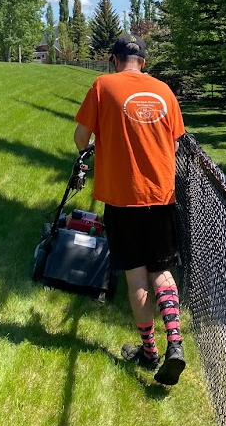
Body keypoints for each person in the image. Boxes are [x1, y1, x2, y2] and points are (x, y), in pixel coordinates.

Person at [73, 34, 186, 386]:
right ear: (143, 63)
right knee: (161, 271)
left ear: (114, 59)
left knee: (136, 275)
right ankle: (176, 344)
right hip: (161, 196)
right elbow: (176, 141)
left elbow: (80, 137)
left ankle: (150, 351)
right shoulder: (164, 91)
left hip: (123, 199)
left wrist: (94, 144)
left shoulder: (103, 85)